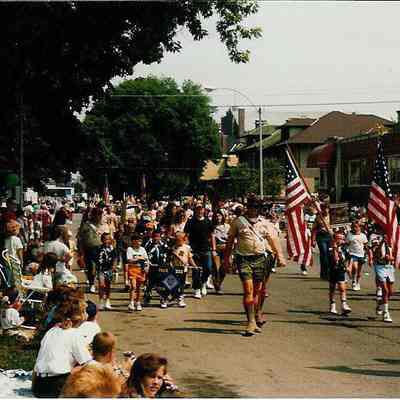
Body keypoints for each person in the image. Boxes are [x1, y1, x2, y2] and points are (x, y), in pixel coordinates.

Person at [224, 196, 285, 336]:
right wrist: (226, 260)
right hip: (243, 258)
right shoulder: (238, 222)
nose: (253, 210)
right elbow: (230, 241)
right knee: (248, 290)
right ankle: (250, 321)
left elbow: (273, 240)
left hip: (260, 259)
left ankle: (255, 317)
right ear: (247, 207)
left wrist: (280, 256)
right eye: (251, 207)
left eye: (256, 207)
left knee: (257, 290)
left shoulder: (265, 223)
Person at [32, 299, 92, 398]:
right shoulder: (75, 334)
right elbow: (87, 363)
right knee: (88, 368)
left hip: (38, 385)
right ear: (80, 316)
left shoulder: (52, 330)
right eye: (84, 311)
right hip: (56, 385)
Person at [184, 204, 216, 299]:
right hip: (194, 249)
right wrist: (187, 248)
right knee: (195, 270)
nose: (199, 211)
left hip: (206, 248)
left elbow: (212, 235)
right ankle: (197, 289)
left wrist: (214, 249)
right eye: (197, 209)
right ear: (195, 210)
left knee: (208, 268)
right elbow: (186, 235)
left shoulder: (208, 221)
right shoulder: (190, 222)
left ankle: (203, 283)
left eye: (201, 209)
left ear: (203, 210)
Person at [368, 233, 395, 322]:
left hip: (389, 267)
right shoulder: (375, 237)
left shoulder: (393, 236)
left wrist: (393, 258)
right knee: (385, 290)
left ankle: (380, 304)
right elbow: (374, 251)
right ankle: (386, 313)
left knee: (390, 292)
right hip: (380, 266)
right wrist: (382, 242)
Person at [168, 232, 197, 308]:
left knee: (181, 285)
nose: (178, 241)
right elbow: (170, 259)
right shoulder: (173, 248)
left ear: (184, 239)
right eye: (177, 240)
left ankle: (180, 299)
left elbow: (190, 258)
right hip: (174, 269)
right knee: (173, 284)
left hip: (183, 270)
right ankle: (173, 296)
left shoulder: (187, 247)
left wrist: (195, 266)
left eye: (180, 239)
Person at [77, 207, 103, 293]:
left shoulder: (103, 224)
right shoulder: (86, 224)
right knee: (90, 267)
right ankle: (92, 284)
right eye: (97, 214)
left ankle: (101, 284)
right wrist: (80, 250)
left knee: (101, 266)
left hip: (101, 248)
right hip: (88, 248)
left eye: (100, 214)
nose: (99, 217)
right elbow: (80, 237)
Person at [327, 232, 352, 315]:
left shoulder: (345, 248)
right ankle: (332, 305)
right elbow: (335, 259)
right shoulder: (330, 248)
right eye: (338, 238)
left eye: (341, 239)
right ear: (334, 239)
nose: (340, 240)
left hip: (341, 270)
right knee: (332, 288)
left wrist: (349, 267)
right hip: (333, 269)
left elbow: (350, 258)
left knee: (342, 288)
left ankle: (344, 305)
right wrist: (335, 249)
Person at [126, 233, 149, 311]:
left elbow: (146, 259)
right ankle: (131, 303)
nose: (139, 243)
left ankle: (138, 302)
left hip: (141, 270)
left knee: (139, 288)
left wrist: (146, 267)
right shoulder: (129, 249)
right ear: (133, 241)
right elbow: (129, 259)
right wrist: (138, 259)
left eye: (140, 241)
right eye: (137, 241)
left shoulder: (143, 249)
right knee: (133, 286)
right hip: (132, 270)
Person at [95, 232, 117, 310]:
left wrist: (114, 267)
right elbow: (96, 259)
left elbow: (115, 258)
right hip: (101, 269)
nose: (106, 241)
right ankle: (101, 301)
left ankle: (107, 300)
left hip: (109, 269)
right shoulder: (98, 248)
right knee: (101, 285)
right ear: (102, 240)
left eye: (108, 239)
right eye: (105, 239)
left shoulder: (112, 249)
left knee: (108, 286)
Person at [312, 203, 332, 280]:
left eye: (327, 208)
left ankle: (329, 272)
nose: (326, 210)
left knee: (330, 254)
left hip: (330, 236)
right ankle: (324, 273)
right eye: (324, 208)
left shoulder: (332, 216)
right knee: (324, 254)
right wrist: (313, 240)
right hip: (321, 236)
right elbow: (314, 229)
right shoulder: (318, 217)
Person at [212, 210, 230, 294]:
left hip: (227, 248)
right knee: (216, 267)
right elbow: (212, 238)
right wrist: (214, 249)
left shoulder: (227, 226)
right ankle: (217, 286)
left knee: (225, 267)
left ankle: (218, 282)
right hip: (217, 248)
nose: (218, 217)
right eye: (217, 216)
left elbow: (231, 237)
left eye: (220, 216)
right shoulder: (213, 227)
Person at [346, 221, 368, 291]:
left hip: (361, 254)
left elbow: (365, 245)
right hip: (352, 254)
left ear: (359, 227)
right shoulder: (349, 234)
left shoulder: (363, 235)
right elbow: (347, 243)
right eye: (353, 227)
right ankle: (353, 281)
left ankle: (358, 282)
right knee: (354, 267)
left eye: (356, 227)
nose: (355, 228)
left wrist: (368, 255)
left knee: (359, 271)